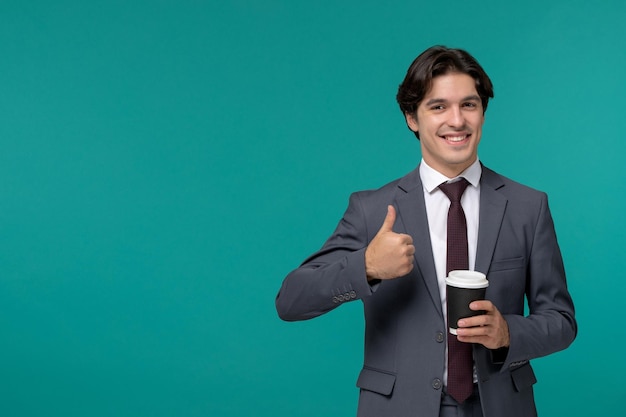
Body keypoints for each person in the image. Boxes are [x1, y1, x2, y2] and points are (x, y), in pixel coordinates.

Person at [275, 46, 576, 417]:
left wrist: (509, 334)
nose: (457, 120)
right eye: (438, 107)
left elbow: (561, 320)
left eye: (469, 105)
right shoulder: (372, 210)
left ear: (483, 113)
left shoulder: (528, 206)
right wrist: (366, 266)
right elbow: (290, 301)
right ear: (411, 118)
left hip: (499, 406)